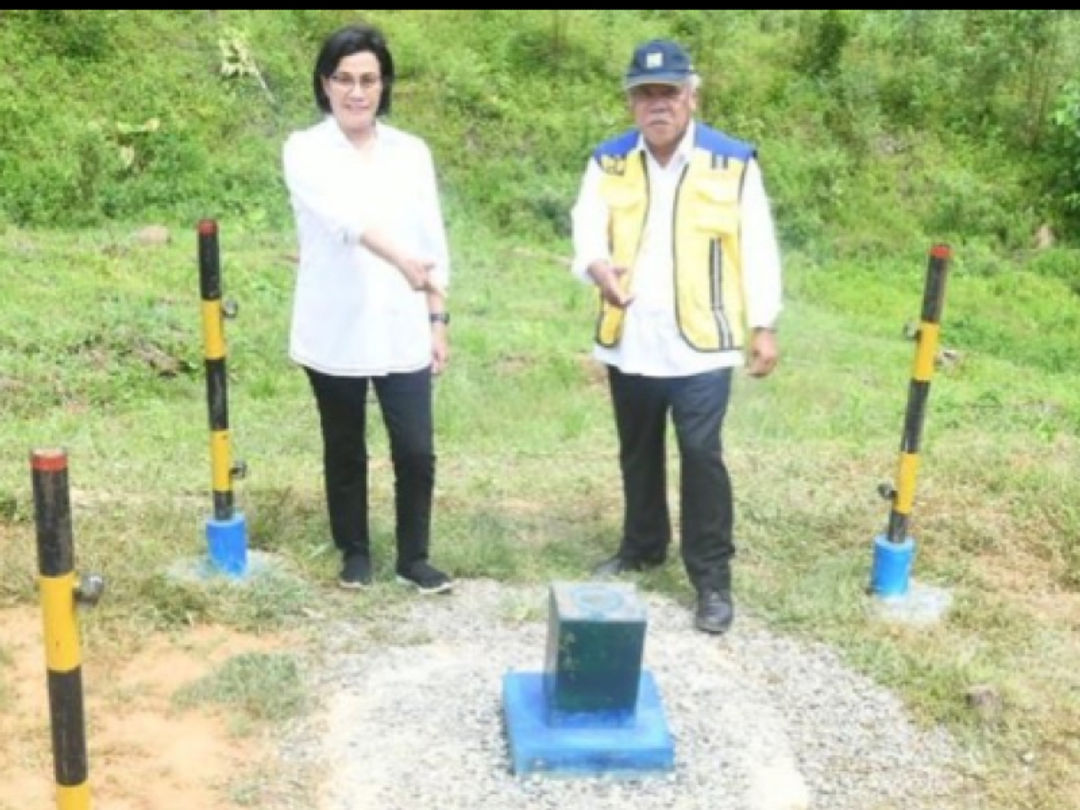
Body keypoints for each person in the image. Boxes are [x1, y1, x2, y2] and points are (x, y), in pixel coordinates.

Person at [570, 38, 782, 634]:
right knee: (637, 451)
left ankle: (712, 581)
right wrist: (596, 267)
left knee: (699, 455)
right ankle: (642, 545)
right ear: (632, 103)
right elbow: (586, 227)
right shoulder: (608, 160)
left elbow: (757, 245)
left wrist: (763, 323)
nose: (656, 104)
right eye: (645, 94)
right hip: (630, 334)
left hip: (702, 344)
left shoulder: (732, 160)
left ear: (692, 94)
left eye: (668, 92)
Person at [282, 23, 453, 594]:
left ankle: (414, 557)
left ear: (384, 86)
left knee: (416, 449)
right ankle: (355, 552)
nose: (357, 92)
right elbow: (342, 218)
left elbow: (433, 239)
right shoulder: (305, 150)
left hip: (401, 324)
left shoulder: (411, 152)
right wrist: (401, 258)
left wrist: (436, 317)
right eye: (345, 79)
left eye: (369, 80)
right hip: (335, 325)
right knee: (345, 446)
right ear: (325, 85)